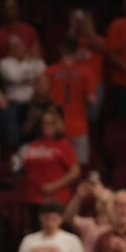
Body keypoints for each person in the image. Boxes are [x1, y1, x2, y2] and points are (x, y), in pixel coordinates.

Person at [13, 110, 80, 215]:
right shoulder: (33, 145)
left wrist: (54, 185)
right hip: (34, 198)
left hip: (56, 199)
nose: (46, 126)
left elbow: (75, 171)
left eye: (50, 123)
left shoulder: (63, 145)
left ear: (57, 124)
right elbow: (22, 168)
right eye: (43, 123)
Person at [46, 37, 97, 165]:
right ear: (77, 51)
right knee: (80, 165)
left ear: (61, 50)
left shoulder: (50, 71)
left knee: (56, 165)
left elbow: (44, 97)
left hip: (56, 126)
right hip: (79, 126)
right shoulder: (87, 72)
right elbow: (92, 100)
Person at [0, 34, 46, 149]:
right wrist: (31, 75)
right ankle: (15, 152)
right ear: (9, 49)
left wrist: (27, 73)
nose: (18, 48)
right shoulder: (5, 63)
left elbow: (43, 72)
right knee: (14, 135)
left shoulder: (36, 62)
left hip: (33, 102)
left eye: (20, 45)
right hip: (14, 104)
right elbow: (14, 77)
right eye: (14, 46)